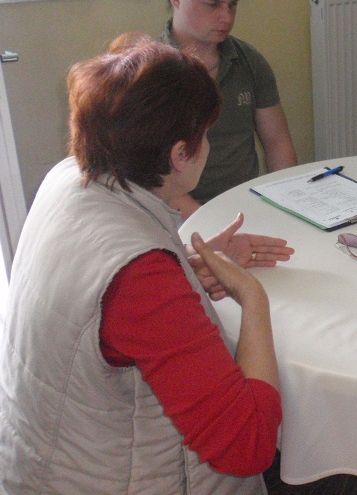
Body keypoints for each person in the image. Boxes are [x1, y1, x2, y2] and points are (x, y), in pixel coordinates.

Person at [0, 35, 295, 494]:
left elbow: (97, 300)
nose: (208, 146)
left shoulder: (68, 178)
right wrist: (253, 299)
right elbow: (248, 446)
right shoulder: (141, 278)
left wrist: (183, 272)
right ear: (180, 155)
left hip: (40, 461)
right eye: (205, 137)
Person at [163, 0, 298, 219]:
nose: (226, 17)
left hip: (246, 209)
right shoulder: (152, 74)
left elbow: (278, 144)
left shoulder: (249, 62)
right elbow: (156, 178)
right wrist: (210, 226)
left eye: (232, 5)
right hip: (182, 219)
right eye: (212, 4)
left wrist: (287, 208)